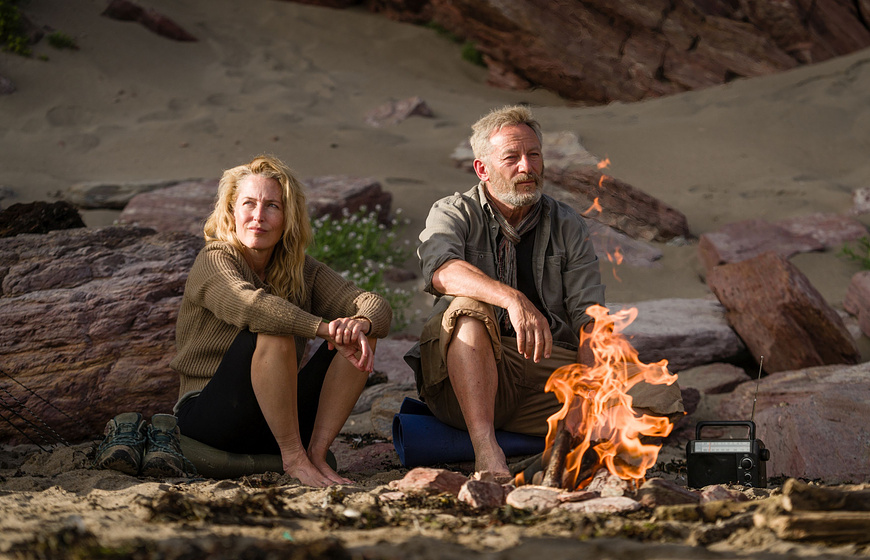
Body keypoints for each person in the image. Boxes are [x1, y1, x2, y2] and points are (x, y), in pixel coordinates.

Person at [406, 106, 683, 480]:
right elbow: (440, 271)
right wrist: (511, 299)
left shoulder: (567, 224)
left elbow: (590, 318)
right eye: (512, 158)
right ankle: (487, 451)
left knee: (657, 394)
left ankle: (555, 455)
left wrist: (587, 393)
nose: (527, 167)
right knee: (468, 309)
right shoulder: (454, 212)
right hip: (466, 376)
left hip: (544, 375)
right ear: (482, 169)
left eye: (533, 155)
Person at [168, 154, 392, 487]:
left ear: (288, 217)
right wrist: (322, 328)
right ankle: (294, 459)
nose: (258, 217)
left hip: (274, 413)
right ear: (231, 211)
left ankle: (316, 455)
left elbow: (374, 304)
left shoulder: (301, 270)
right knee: (273, 330)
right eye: (248, 204)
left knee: (360, 337)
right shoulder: (214, 259)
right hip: (210, 413)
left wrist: (361, 324)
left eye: (272, 206)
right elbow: (251, 307)